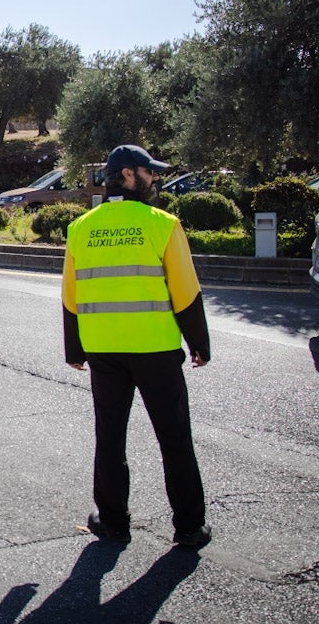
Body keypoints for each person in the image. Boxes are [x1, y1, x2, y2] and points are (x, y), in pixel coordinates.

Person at [61, 144, 212, 549]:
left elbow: (71, 297)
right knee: (174, 438)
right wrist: (199, 343)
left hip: (103, 351)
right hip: (156, 350)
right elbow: (185, 292)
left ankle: (111, 520)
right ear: (129, 175)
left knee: (110, 436)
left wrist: (74, 349)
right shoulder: (163, 224)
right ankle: (189, 527)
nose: (156, 178)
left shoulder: (81, 228)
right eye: (150, 171)